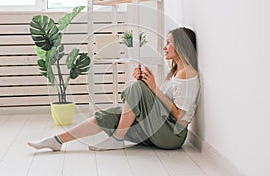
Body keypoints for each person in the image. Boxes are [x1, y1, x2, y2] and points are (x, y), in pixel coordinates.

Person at [27, 27, 200, 151]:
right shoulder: (176, 71)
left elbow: (178, 115)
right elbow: (161, 104)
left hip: (171, 136)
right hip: (161, 128)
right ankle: (57, 140)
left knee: (137, 88)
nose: (164, 47)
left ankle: (117, 138)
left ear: (181, 45)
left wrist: (152, 89)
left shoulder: (188, 74)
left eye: (169, 43)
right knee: (108, 115)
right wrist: (148, 85)